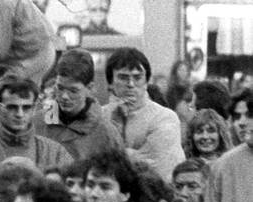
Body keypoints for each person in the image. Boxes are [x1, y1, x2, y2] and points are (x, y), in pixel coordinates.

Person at [103, 48, 184, 182]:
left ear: (146, 82)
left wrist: (115, 157)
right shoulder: (101, 115)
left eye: (137, 77)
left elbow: (159, 169)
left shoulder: (164, 117)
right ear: (111, 82)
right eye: (123, 77)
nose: (131, 84)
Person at [0, 77, 73, 177]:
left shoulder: (55, 152)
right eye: (12, 107)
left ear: (34, 108)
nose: (20, 114)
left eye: (26, 107)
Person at [37, 49, 124, 161]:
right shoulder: (37, 122)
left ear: (90, 88)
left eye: (73, 91)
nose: (64, 96)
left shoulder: (106, 133)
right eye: (60, 88)